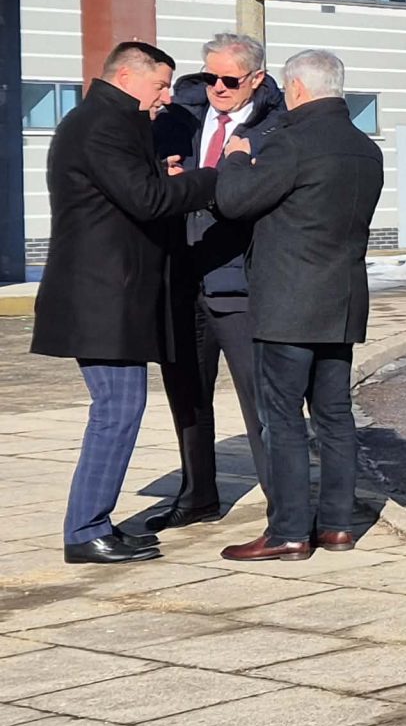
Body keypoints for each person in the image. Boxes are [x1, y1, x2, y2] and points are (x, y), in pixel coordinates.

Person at [32, 42, 221, 565]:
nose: (166, 97)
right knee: (117, 410)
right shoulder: (105, 125)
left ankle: (93, 524)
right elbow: (147, 200)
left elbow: (133, 192)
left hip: (108, 292)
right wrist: (213, 178)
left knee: (119, 408)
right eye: (160, 85)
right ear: (126, 76)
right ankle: (85, 530)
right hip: (102, 296)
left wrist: (164, 176)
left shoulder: (106, 120)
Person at [211, 50, 386, 562]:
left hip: (288, 304)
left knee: (282, 419)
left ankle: (288, 531)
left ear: (297, 89)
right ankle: (336, 525)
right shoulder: (364, 148)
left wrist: (238, 155)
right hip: (343, 302)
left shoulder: (291, 141)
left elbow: (236, 201)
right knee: (335, 416)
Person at [145, 34, 287, 530]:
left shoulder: (275, 128)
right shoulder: (178, 122)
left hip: (242, 286)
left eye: (229, 79)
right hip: (182, 279)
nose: (218, 88)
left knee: (261, 403)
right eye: (210, 78)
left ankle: (283, 510)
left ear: (256, 79)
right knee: (187, 396)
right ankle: (198, 494)